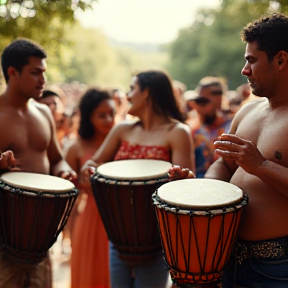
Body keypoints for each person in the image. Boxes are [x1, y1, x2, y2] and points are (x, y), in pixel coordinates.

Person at [172, 13, 288, 287]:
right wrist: (202, 193)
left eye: (251, 60)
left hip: (278, 266)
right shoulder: (247, 111)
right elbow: (223, 165)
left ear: (281, 60)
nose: (244, 70)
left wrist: (261, 166)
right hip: (225, 257)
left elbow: (253, 165)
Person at [80, 70, 195, 288]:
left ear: (147, 93)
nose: (128, 95)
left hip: (158, 238)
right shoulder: (122, 129)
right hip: (119, 234)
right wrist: (89, 169)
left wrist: (183, 178)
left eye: (132, 89)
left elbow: (184, 187)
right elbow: (93, 163)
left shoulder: (178, 132)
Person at [0, 38, 77, 288]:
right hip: (4, 238)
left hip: (41, 236)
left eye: (43, 72)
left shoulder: (43, 112)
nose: (42, 80)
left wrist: (64, 169)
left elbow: (56, 158)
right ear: (13, 72)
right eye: (35, 73)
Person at [64, 88, 116, 288]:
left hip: (120, 220)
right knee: (88, 272)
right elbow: (70, 194)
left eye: (111, 113)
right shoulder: (75, 147)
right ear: (88, 117)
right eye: (101, 115)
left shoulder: (120, 142)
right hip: (89, 219)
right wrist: (68, 231)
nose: (109, 120)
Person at [185, 77, 232, 178]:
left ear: (218, 100)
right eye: (197, 101)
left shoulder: (233, 126)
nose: (197, 107)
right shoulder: (191, 128)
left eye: (203, 101)